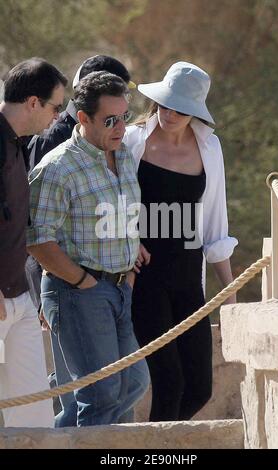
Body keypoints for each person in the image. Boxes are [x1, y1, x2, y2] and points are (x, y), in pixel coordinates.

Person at [27, 71, 150, 427]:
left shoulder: (124, 156)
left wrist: (126, 276)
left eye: (124, 117)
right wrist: (83, 282)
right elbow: (37, 239)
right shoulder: (57, 167)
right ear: (83, 118)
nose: (120, 127)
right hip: (78, 293)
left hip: (119, 290)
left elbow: (125, 217)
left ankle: (60, 438)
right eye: (109, 120)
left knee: (134, 382)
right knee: (99, 397)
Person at [124, 61, 238, 421]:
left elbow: (216, 222)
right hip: (144, 279)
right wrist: (127, 240)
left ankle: (160, 446)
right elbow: (108, 201)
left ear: (195, 111)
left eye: (181, 108)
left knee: (200, 387)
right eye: (166, 103)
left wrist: (229, 293)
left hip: (190, 281)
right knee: (170, 382)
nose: (170, 113)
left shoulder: (210, 148)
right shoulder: (130, 140)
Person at [0, 57, 67, 427]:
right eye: (55, 106)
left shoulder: (20, 144)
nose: (58, 116)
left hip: (20, 299)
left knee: (36, 421)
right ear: (32, 103)